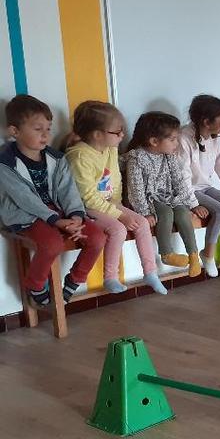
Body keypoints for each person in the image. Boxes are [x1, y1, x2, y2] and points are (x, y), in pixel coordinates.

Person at [0, 94, 107, 306]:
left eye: (48, 129)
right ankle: (35, 284)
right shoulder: (6, 163)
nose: (45, 135)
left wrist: (76, 216)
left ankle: (75, 279)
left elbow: (68, 190)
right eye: (38, 129)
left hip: (58, 212)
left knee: (97, 237)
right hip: (27, 215)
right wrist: (56, 221)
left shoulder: (56, 158)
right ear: (15, 131)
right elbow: (25, 199)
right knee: (52, 244)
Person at [65, 100, 167, 295]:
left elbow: (115, 179)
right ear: (97, 134)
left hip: (107, 203)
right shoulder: (79, 157)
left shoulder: (110, 148)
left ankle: (150, 273)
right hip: (85, 207)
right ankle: (110, 277)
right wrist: (120, 215)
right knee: (118, 229)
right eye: (117, 132)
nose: (122, 135)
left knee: (142, 223)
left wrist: (118, 205)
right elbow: (88, 198)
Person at [125, 112, 206, 278]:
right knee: (166, 213)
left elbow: (179, 181)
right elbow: (136, 189)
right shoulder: (137, 158)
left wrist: (191, 203)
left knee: (183, 213)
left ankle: (193, 255)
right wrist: (145, 213)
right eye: (173, 139)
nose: (177, 143)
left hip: (169, 196)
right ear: (154, 141)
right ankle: (167, 254)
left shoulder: (169, 156)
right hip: (149, 199)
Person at [178, 94, 220, 278]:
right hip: (190, 191)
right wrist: (193, 204)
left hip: (206, 188)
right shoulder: (184, 138)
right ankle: (207, 254)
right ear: (206, 122)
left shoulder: (215, 140)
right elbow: (183, 176)